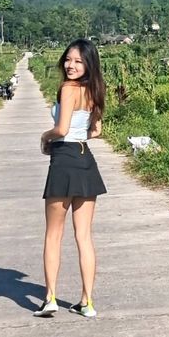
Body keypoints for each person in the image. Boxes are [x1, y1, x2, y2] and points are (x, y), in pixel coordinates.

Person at [34, 39, 107, 319]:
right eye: (68, 60)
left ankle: (50, 298)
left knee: (54, 234)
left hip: (64, 160)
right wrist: (77, 136)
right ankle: (87, 302)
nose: (71, 65)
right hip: (85, 160)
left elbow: (61, 128)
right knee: (84, 237)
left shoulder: (67, 89)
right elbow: (96, 131)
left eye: (77, 61)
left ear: (88, 64)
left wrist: (45, 137)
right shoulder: (95, 89)